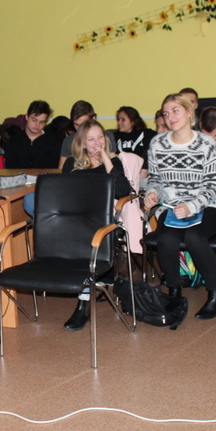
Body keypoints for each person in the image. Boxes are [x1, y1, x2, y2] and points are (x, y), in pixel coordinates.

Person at [144, 93, 216, 320]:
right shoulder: (157, 144)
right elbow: (155, 179)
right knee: (166, 238)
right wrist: (152, 193)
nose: (170, 117)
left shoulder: (206, 143)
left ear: (189, 112)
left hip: (209, 203)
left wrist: (192, 206)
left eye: (175, 111)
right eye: (166, 113)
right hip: (172, 205)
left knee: (194, 237)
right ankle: (174, 291)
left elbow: (212, 184)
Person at [60, 120, 133, 331]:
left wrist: (106, 160)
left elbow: (123, 191)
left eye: (100, 137)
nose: (97, 143)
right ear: (82, 143)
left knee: (86, 237)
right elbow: (64, 195)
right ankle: (90, 283)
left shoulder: (113, 162)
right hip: (76, 219)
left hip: (103, 222)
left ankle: (83, 305)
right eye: (91, 139)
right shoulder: (72, 164)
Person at [3, 100, 62, 169]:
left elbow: (53, 170)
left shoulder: (53, 143)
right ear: (26, 117)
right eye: (34, 120)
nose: (37, 124)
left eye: (42, 122)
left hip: (44, 176)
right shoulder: (13, 142)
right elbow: (10, 170)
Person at [58, 100, 115, 169]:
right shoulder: (69, 140)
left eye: (84, 124)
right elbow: (61, 170)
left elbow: (113, 165)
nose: (80, 129)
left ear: (93, 119)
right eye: (76, 124)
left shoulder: (107, 137)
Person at [113, 106, 156, 180]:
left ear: (133, 121)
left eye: (123, 120)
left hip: (142, 174)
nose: (119, 122)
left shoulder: (147, 135)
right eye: (118, 119)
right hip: (120, 175)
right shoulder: (115, 137)